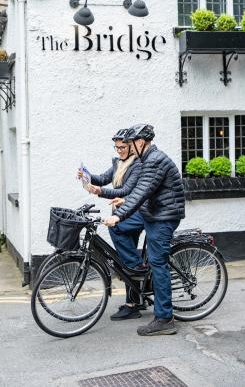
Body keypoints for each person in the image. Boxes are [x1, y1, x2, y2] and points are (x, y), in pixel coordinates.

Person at [104, 123, 185, 336]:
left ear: (140, 142)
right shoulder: (145, 159)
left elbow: (141, 192)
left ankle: (165, 318)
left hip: (164, 216)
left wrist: (118, 215)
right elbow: (135, 189)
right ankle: (137, 276)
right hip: (153, 213)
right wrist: (120, 199)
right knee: (124, 232)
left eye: (130, 143)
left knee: (158, 263)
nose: (128, 147)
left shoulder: (155, 160)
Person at [79, 129, 146, 320]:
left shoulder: (138, 165)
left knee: (117, 232)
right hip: (123, 213)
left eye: (123, 147)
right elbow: (102, 178)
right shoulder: (118, 163)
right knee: (125, 260)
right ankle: (133, 303)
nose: (119, 151)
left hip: (135, 213)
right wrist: (86, 175)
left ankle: (138, 268)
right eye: (116, 147)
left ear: (131, 145)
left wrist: (100, 192)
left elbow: (126, 191)